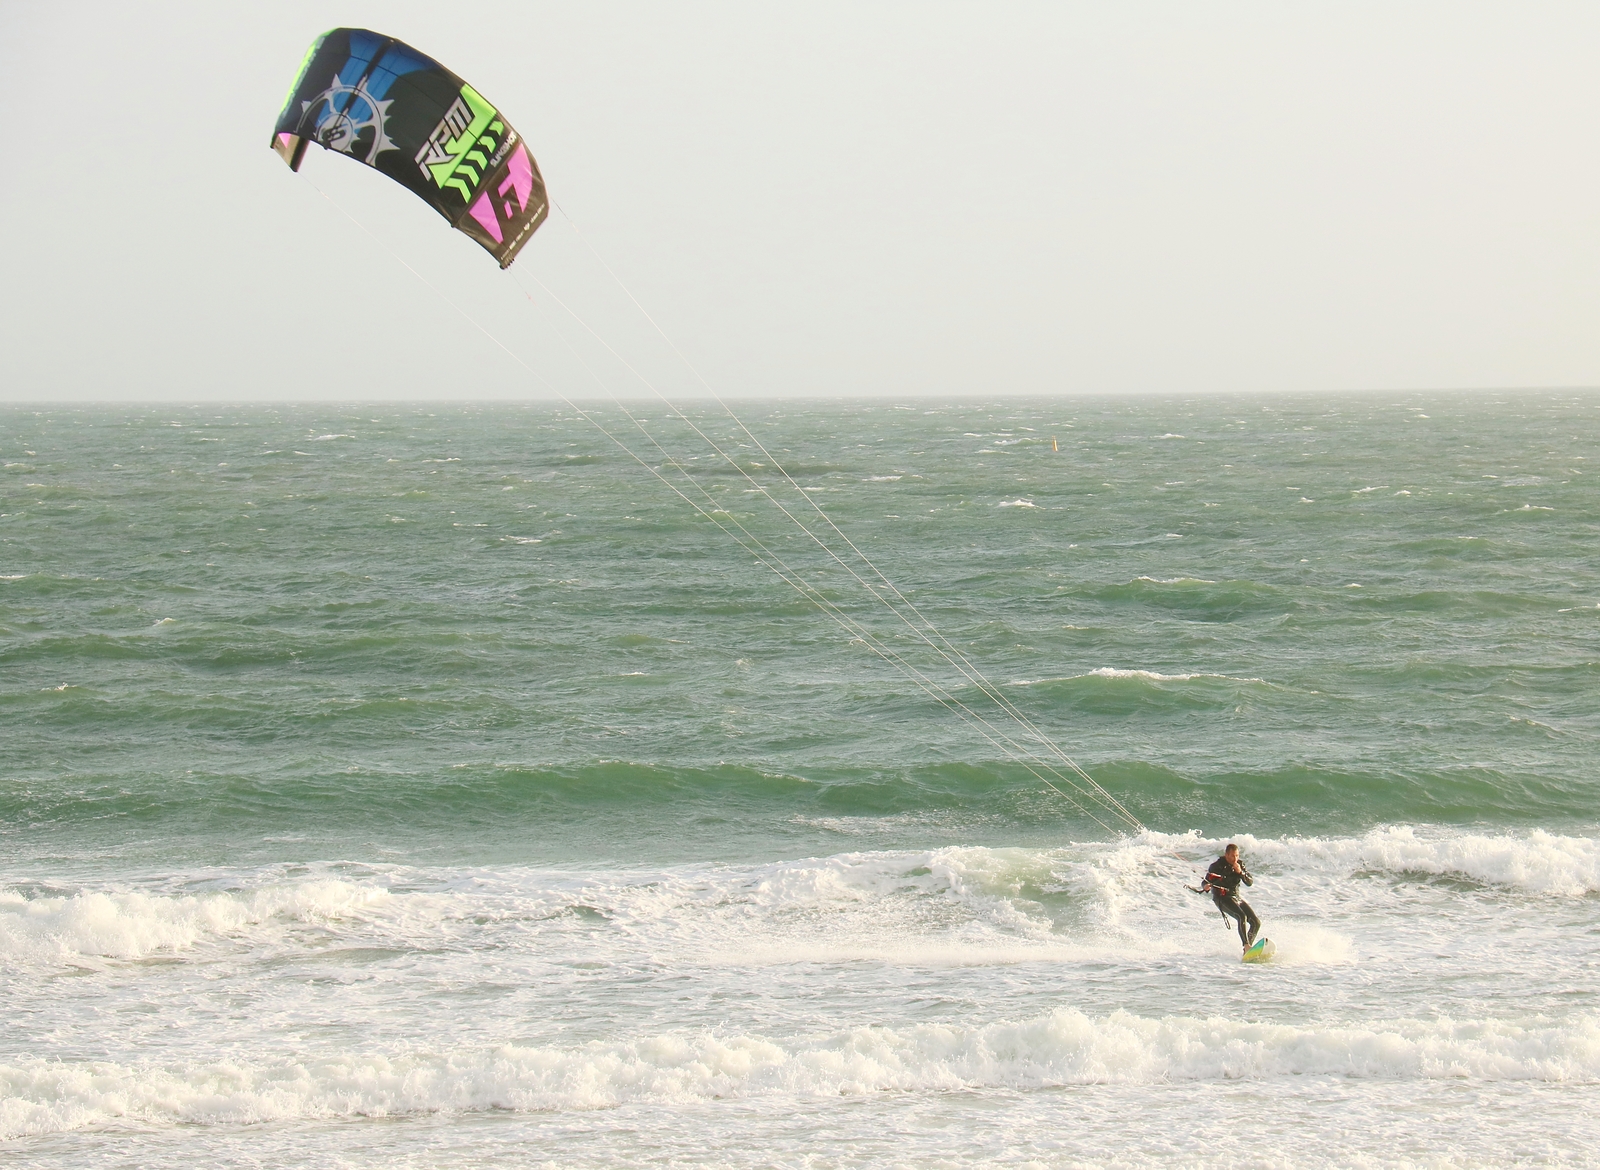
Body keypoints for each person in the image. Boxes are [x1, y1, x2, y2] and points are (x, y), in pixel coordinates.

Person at [1201, 842, 1260, 950]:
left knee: (1256, 922)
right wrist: (1206, 886)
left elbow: (1249, 882)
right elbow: (1205, 882)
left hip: (1235, 897)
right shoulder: (1216, 866)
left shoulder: (1240, 865)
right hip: (1222, 898)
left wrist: (1240, 872)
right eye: (1233, 856)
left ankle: (1247, 948)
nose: (1235, 858)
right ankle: (1246, 945)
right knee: (1241, 916)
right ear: (1226, 855)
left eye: (1237, 855)